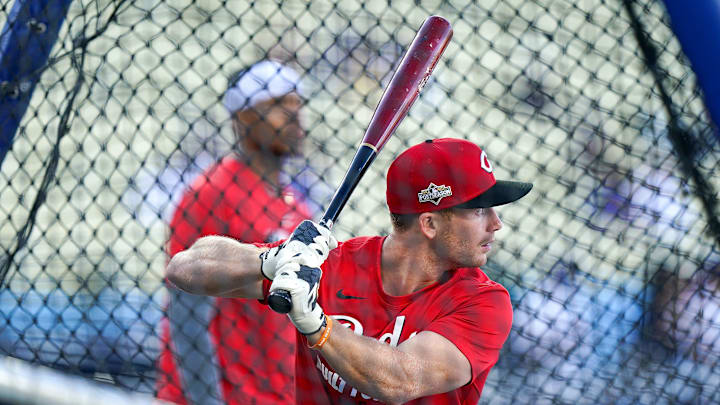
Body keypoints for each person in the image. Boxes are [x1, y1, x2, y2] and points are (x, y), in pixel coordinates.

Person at [166, 137, 533, 404]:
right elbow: (183, 269)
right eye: (479, 210)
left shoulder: (484, 302)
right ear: (430, 224)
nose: (496, 224)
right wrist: (274, 260)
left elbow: (400, 380)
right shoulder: (335, 264)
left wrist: (317, 325)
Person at [155, 60, 315, 404]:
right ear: (243, 117)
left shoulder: (297, 207)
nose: (293, 114)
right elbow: (187, 312)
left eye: (296, 103)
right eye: (276, 104)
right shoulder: (212, 193)